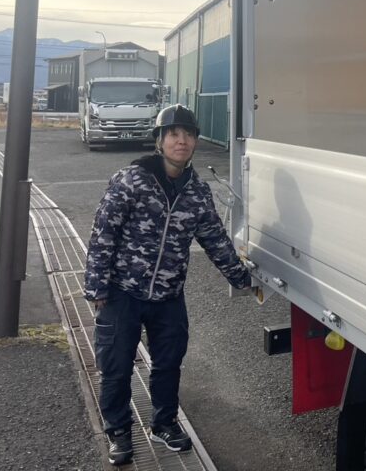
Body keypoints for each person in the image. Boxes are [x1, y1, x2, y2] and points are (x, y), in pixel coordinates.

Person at [83, 104, 251, 466]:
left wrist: (242, 277)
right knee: (116, 366)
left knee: (169, 363)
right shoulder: (131, 180)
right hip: (122, 292)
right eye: (173, 134)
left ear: (195, 142)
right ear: (159, 141)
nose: (182, 141)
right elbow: (103, 235)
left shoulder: (197, 192)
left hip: (169, 295)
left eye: (188, 134)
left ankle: (164, 424)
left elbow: (214, 239)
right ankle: (118, 431)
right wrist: (97, 288)